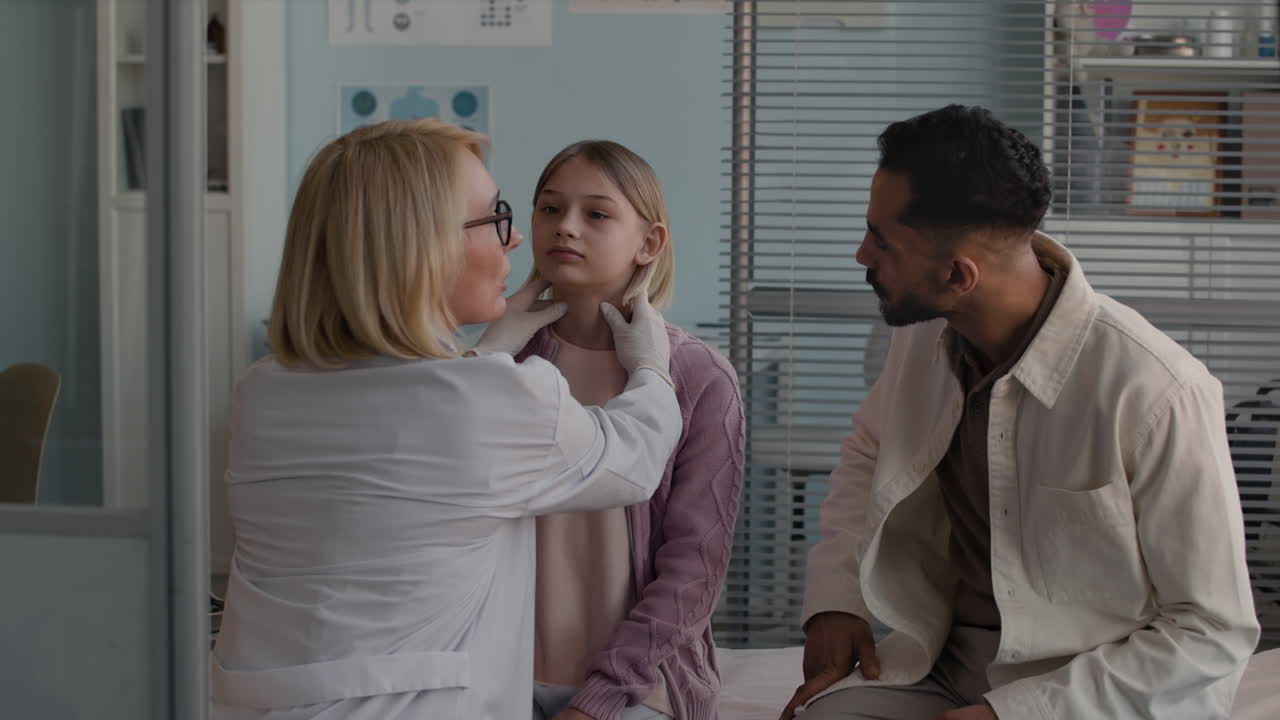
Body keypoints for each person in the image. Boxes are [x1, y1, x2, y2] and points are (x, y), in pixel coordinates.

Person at [781, 105, 1260, 720]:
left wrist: (1019, 713)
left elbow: (1211, 629)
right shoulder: (924, 335)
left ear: (959, 275)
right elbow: (870, 449)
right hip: (949, 665)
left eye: (882, 240)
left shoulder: (1156, 391)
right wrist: (836, 598)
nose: (860, 255)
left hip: (1090, 689)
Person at [208, 119, 683, 720]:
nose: (514, 241)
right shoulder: (488, 396)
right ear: (421, 244)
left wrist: (487, 351)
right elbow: (635, 459)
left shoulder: (261, 391)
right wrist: (651, 368)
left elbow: (408, 436)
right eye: (494, 218)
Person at [516, 140, 745, 720]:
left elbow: (694, 570)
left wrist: (597, 703)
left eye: (595, 214)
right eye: (549, 209)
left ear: (649, 243)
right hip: (503, 673)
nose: (565, 228)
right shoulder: (507, 361)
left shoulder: (699, 378)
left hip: (639, 688)